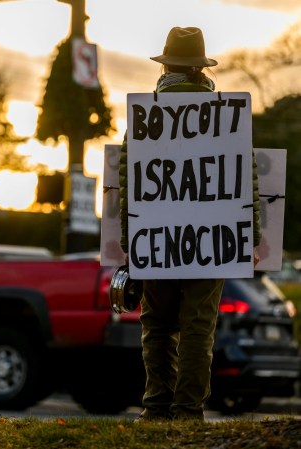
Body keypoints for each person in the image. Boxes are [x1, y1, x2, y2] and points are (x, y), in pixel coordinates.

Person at [119, 26, 262, 421]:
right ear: (200, 69)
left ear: (166, 66)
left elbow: (128, 181)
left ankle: (156, 407)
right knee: (199, 325)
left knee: (158, 324)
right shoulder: (226, 116)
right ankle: (188, 410)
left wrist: (130, 238)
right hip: (215, 238)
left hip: (156, 237)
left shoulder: (145, 114)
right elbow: (245, 178)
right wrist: (252, 233)